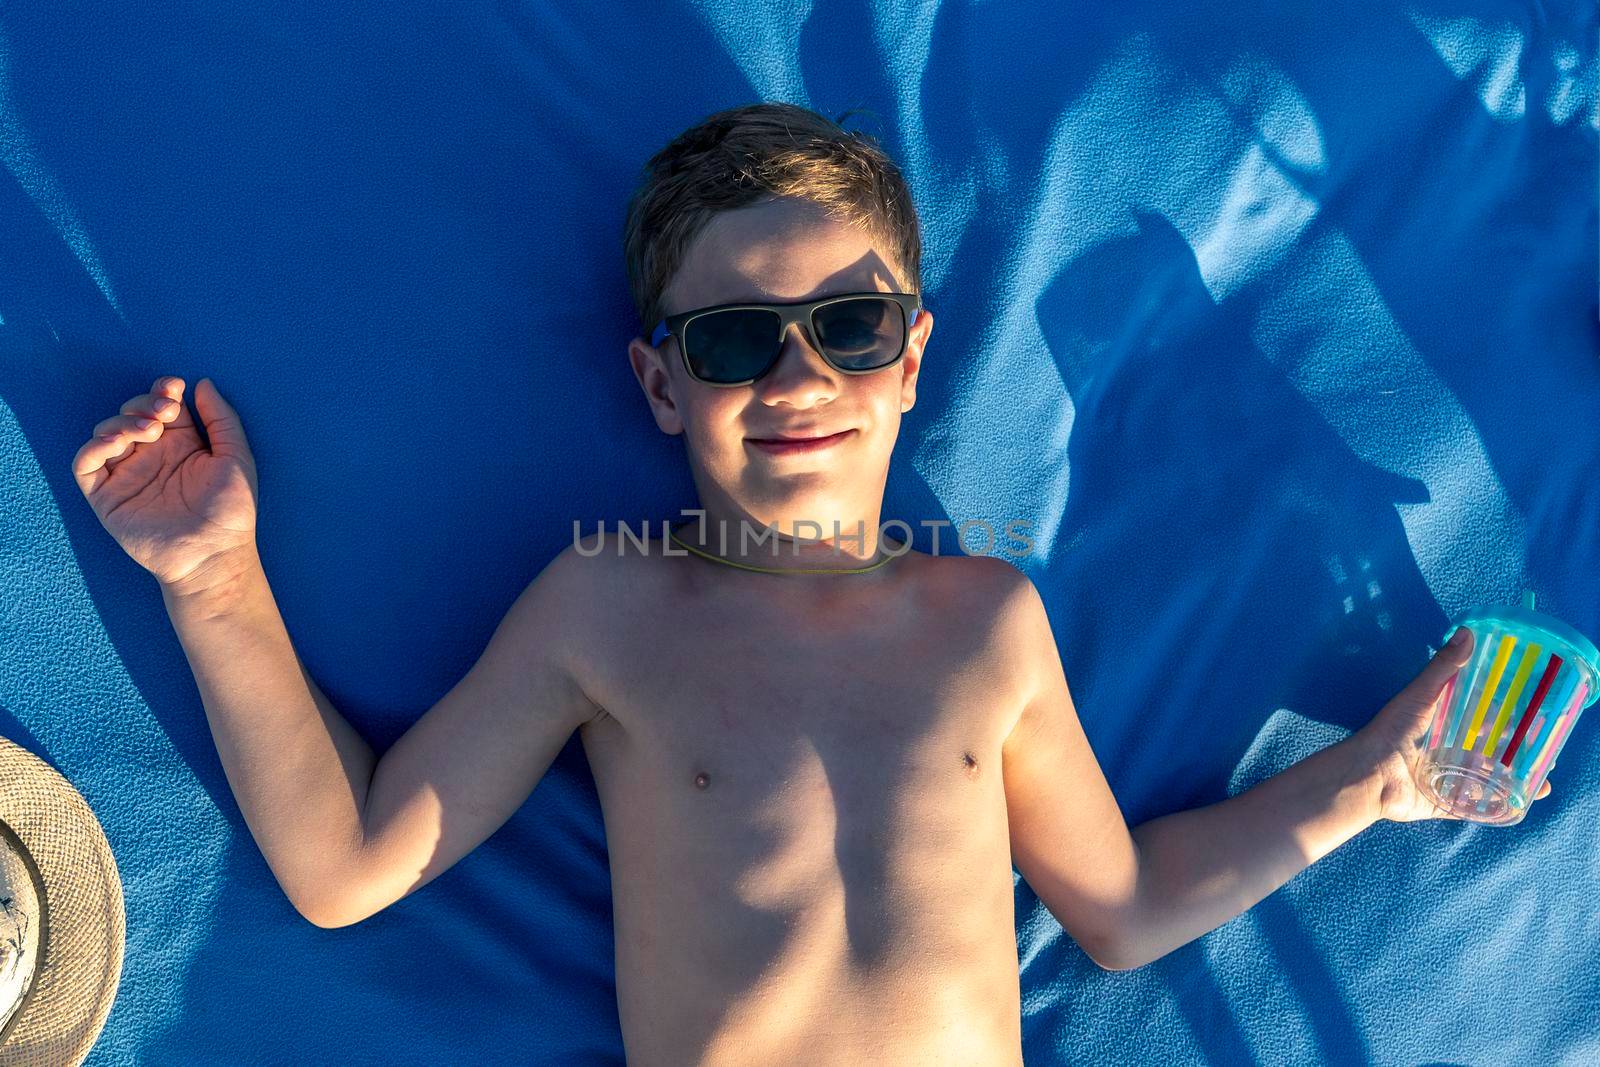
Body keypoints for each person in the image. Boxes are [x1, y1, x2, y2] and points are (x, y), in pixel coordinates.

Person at [67, 101, 1543, 1066]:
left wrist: (1371, 785)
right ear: (659, 383)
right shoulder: (610, 608)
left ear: (912, 359)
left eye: (847, 324)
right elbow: (347, 869)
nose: (799, 373)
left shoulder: (985, 619)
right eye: (734, 340)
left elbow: (1123, 909)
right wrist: (213, 581)